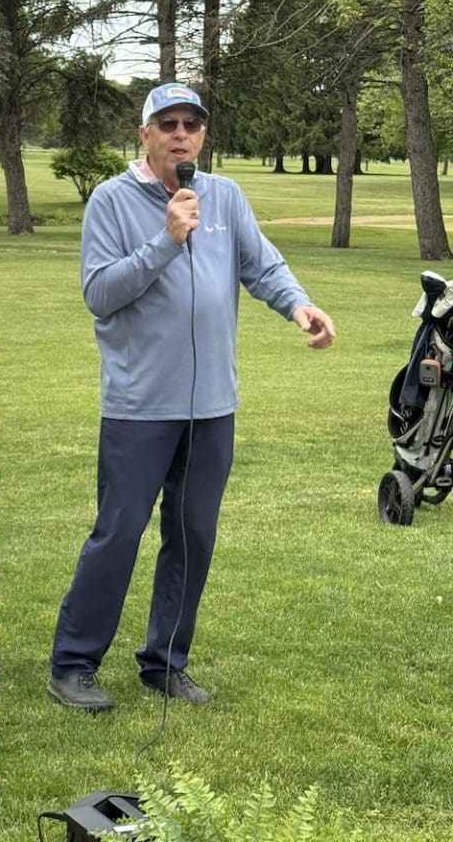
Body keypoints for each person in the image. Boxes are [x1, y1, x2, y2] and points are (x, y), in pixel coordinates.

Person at [47, 82, 335, 712]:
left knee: (193, 532)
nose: (181, 135)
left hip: (212, 406)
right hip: (139, 405)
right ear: (144, 134)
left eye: (192, 125)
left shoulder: (224, 196)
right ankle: (73, 664)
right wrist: (166, 239)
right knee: (118, 533)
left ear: (203, 135)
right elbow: (100, 293)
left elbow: (262, 266)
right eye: (168, 124)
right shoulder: (112, 201)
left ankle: (165, 663)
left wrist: (299, 305)